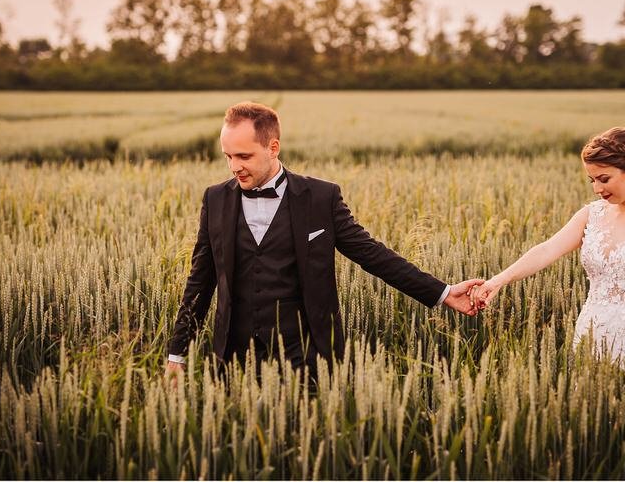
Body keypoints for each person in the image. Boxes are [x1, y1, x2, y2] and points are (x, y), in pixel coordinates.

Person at [166, 102, 481, 383]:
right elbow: (200, 281)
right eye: (228, 156)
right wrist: (177, 353)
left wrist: (442, 292)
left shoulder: (320, 198)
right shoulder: (216, 198)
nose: (234, 166)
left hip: (305, 353)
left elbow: (372, 255)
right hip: (233, 358)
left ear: (273, 147)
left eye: (244, 156)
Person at [469, 127, 625, 361]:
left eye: (604, 179)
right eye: (592, 180)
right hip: (591, 334)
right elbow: (547, 249)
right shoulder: (592, 215)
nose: (597, 189)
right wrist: (498, 281)